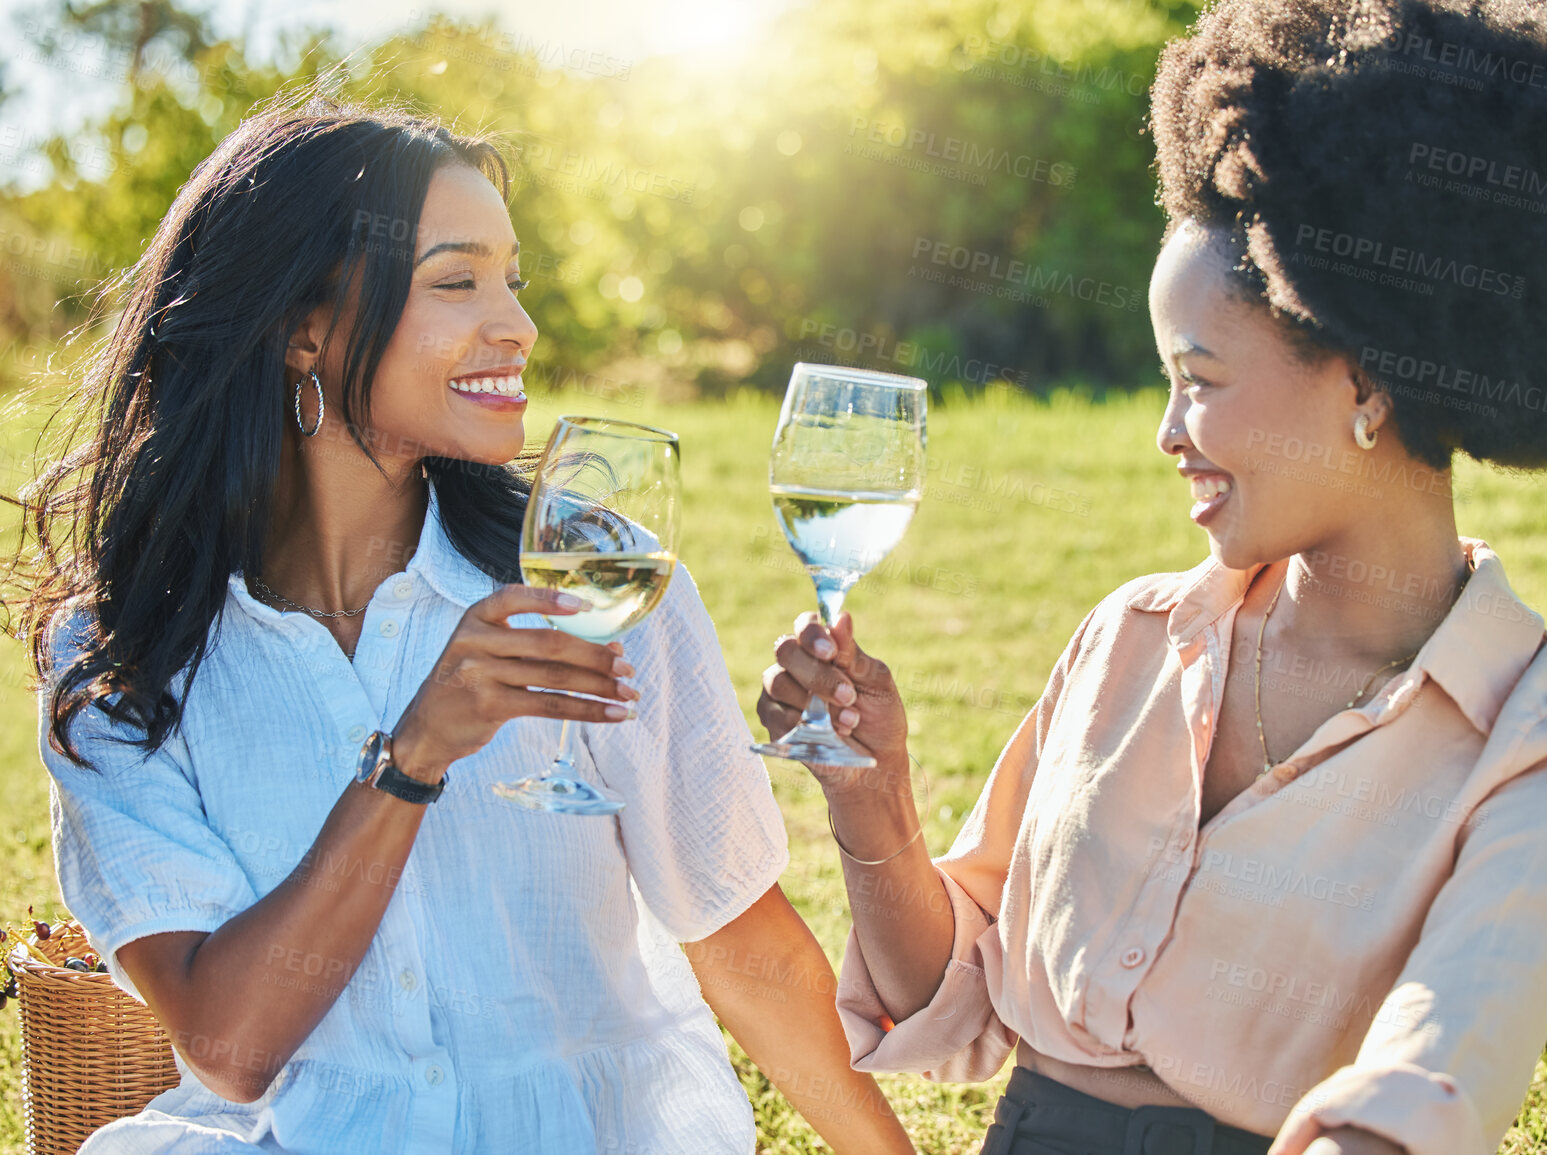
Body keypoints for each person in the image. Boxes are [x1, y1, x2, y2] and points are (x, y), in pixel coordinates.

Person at [756, 1, 1547, 1153]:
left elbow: (1432, 1086)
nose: (1167, 433)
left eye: (1198, 380)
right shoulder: (1131, 640)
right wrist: (873, 798)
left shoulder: (1540, 753)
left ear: (1365, 388)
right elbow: (955, 992)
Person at [7, 92, 912, 1154]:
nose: (518, 326)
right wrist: (413, 757)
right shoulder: (123, 654)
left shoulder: (593, 576)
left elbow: (736, 937)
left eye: (512, 282)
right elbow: (230, 1047)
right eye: (456, 282)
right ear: (303, 329)